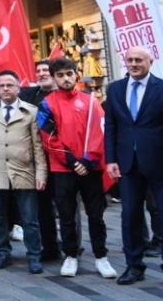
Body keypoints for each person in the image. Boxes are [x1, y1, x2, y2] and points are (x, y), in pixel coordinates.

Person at [105, 46, 163, 289]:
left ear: (151, 61)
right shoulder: (114, 89)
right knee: (129, 217)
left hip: (162, 166)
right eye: (130, 60)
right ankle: (134, 265)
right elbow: (112, 128)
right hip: (128, 165)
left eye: (139, 60)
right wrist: (111, 159)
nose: (134, 63)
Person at [37, 57, 116, 279]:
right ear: (54, 78)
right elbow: (48, 138)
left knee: (96, 215)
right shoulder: (46, 104)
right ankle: (70, 255)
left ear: (76, 75)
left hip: (91, 169)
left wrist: (88, 161)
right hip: (63, 170)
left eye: (69, 74)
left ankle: (101, 256)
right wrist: (73, 162)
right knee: (66, 215)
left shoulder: (91, 101)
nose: (65, 78)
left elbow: (100, 133)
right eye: (60, 75)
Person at [0, 70, 47, 274]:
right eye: (2, 86)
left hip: (24, 172)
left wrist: (41, 174)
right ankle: (2, 252)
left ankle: (34, 255)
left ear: (18, 87)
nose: (6, 89)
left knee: (30, 219)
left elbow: (38, 146)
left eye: (10, 85)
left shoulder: (31, 112)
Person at [18, 59, 62, 262]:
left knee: (66, 206)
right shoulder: (30, 94)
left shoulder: (63, 94)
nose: (42, 73)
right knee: (43, 207)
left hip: (63, 160)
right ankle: (50, 247)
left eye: (46, 70)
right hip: (38, 161)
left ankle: (73, 246)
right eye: (39, 70)